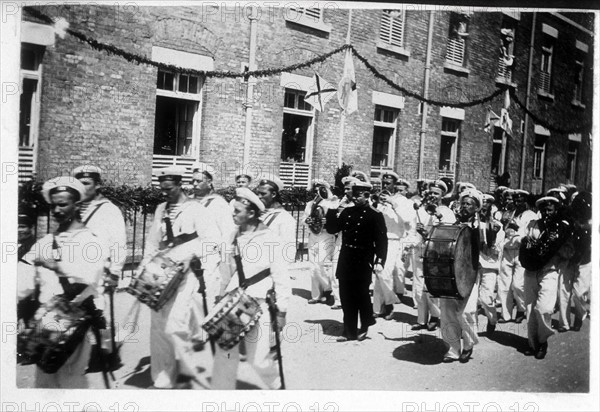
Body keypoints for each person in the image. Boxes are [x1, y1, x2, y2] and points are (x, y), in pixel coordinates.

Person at [140, 165, 221, 389]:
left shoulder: (196, 209)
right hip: (160, 271)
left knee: (176, 325)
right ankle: (162, 378)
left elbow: (212, 240)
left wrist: (191, 256)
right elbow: (153, 241)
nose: (165, 193)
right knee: (157, 325)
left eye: (169, 189)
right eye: (162, 189)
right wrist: (144, 266)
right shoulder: (160, 209)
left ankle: (190, 376)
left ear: (179, 185)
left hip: (186, 275)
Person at [26, 176, 107, 388]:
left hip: (73, 319)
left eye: (63, 204)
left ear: (77, 205)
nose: (57, 210)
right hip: (46, 321)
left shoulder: (90, 240)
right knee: (44, 381)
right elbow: (24, 275)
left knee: (71, 381)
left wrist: (54, 265)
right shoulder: (46, 241)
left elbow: (90, 274)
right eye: (53, 206)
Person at [211, 187, 291, 389]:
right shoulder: (232, 235)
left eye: (237, 211)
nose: (233, 215)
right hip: (235, 301)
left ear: (252, 213)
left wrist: (281, 311)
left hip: (260, 303)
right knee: (225, 352)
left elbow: (281, 277)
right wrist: (221, 295)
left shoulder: (271, 238)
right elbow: (226, 269)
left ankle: (278, 389)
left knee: (259, 360)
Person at [72, 165, 127, 368]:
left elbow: (119, 244)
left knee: (101, 313)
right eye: (78, 183)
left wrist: (115, 272)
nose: (82, 188)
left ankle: (108, 354)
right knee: (78, 315)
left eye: (86, 183)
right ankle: (85, 354)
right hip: (76, 273)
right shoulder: (74, 208)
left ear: (98, 185)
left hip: (99, 273)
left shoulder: (109, 210)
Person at [325, 180, 387, 342]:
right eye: (354, 194)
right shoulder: (347, 212)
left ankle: (365, 324)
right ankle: (349, 330)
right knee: (346, 296)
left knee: (361, 295)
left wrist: (379, 260)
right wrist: (332, 208)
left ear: (367, 196)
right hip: (346, 257)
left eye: (359, 195)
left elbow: (381, 241)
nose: (355, 198)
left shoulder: (375, 215)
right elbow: (332, 229)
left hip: (363, 258)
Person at [520, 196, 572, 360]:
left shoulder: (561, 228)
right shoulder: (533, 225)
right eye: (543, 210)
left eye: (549, 210)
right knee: (530, 309)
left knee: (544, 309)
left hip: (549, 271)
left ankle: (543, 341)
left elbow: (568, 252)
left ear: (556, 210)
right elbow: (523, 242)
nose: (546, 213)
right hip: (530, 271)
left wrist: (557, 248)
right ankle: (532, 343)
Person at [440, 188, 482, 363]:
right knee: (447, 310)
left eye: (469, 204)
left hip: (469, 273)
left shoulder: (482, 225)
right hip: (451, 271)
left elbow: (484, 244)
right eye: (463, 203)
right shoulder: (453, 221)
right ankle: (453, 348)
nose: (464, 207)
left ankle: (468, 344)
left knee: (466, 311)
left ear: (476, 208)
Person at [410, 180, 455, 331]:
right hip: (420, 250)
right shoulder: (422, 209)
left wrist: (436, 217)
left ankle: (435, 317)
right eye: (431, 193)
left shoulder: (446, 211)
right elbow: (413, 227)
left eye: (436, 193)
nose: (433, 196)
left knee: (432, 288)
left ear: (443, 195)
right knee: (418, 287)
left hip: (436, 253)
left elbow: (449, 231)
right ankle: (421, 319)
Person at [498, 189, 537, 323]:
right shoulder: (510, 213)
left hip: (521, 251)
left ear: (526, 201)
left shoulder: (531, 215)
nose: (518, 203)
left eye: (521, 201)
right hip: (508, 251)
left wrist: (517, 235)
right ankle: (506, 314)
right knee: (504, 285)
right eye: (516, 200)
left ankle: (521, 309)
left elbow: (531, 234)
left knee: (518, 284)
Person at [303, 179, 340, 306]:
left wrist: (327, 221)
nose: (318, 190)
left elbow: (335, 217)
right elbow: (304, 218)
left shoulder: (332, 202)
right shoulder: (310, 204)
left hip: (326, 235)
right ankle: (316, 295)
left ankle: (327, 291)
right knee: (313, 265)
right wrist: (307, 221)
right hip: (313, 235)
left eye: (321, 187)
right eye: (316, 187)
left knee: (324, 264)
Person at [477, 193, 504, 335]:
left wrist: (491, 240)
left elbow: (497, 250)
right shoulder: (471, 224)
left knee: (486, 298)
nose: (483, 210)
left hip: (489, 265)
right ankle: (471, 329)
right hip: (473, 265)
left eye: (486, 207)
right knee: (472, 299)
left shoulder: (497, 226)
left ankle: (492, 319)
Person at [256, 175, 297, 261]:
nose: (259, 197)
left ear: (273, 194)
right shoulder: (257, 214)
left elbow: (288, 252)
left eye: (263, 193)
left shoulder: (284, 218)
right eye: (258, 193)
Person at [568, 191, 592, 332]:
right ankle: (569, 318)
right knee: (567, 291)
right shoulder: (572, 221)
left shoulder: (593, 223)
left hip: (586, 260)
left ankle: (579, 315)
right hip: (572, 258)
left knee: (579, 292)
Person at [17, 207, 39, 330]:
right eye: (16, 226)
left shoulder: (34, 248)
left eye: (22, 226)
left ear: (31, 228)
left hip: (29, 298)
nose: (19, 230)